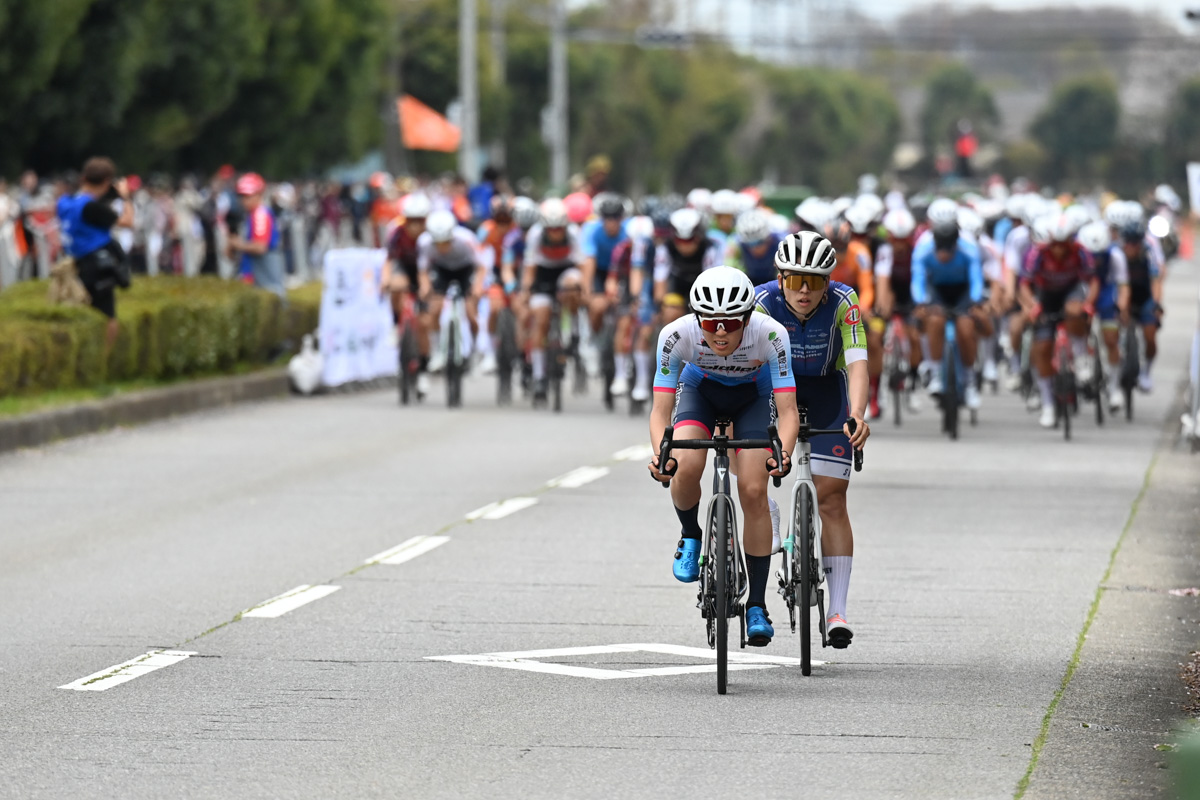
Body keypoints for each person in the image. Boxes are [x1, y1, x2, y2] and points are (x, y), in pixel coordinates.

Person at [647, 267, 799, 647]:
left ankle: (757, 605)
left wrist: (782, 453)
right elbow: (660, 411)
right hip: (700, 391)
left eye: (729, 323)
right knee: (684, 465)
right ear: (697, 318)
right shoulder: (676, 335)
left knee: (753, 489)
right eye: (710, 322)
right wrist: (661, 455)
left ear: (747, 318)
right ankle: (690, 534)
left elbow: (788, 412)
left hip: (753, 396)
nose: (719, 332)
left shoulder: (771, 334)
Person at [753, 231, 870, 648]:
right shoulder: (760, 301)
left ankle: (837, 611)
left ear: (828, 282)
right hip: (773, 388)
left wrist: (858, 414)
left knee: (833, 499)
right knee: (754, 471)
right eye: (795, 280)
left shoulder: (844, 301)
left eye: (815, 281)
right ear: (780, 278)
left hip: (825, 390)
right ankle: (768, 510)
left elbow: (857, 363)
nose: (804, 291)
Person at [1019, 213, 1099, 428]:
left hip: (1071, 290)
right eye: (1056, 244)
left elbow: (1092, 281)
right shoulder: (1037, 253)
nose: (1059, 250)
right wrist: (1032, 306)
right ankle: (1047, 404)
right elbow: (1024, 284)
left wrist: (1088, 304)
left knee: (1074, 311)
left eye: (1064, 244)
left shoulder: (1081, 252)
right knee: (1042, 349)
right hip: (1046, 294)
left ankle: (1081, 359)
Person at [55, 157, 134, 351]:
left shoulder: (65, 202)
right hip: (97, 264)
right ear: (107, 182)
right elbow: (127, 222)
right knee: (108, 317)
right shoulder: (92, 208)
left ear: (84, 178)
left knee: (79, 312)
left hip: (72, 262)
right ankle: (102, 358)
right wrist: (125, 197)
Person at [912, 206, 986, 411]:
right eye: (940, 248)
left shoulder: (968, 247)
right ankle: (935, 374)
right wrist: (921, 301)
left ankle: (970, 382)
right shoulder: (923, 247)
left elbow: (976, 278)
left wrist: (975, 300)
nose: (944, 254)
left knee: (966, 329)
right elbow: (918, 279)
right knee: (935, 321)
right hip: (937, 291)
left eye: (948, 249)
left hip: (962, 292)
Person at [521, 198, 584, 401]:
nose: (555, 233)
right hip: (543, 273)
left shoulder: (574, 233)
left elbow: (582, 265)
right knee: (540, 319)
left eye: (559, 228)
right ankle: (539, 375)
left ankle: (574, 332)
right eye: (551, 229)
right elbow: (529, 268)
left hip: (566, 270)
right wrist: (525, 292)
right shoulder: (535, 234)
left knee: (574, 286)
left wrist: (584, 292)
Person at [419, 209, 488, 372]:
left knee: (471, 312)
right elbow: (423, 270)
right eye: (438, 243)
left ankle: (474, 351)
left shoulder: (466, 239)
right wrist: (425, 287)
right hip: (442, 270)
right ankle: (437, 351)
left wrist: (477, 286)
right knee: (434, 309)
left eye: (446, 242)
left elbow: (481, 267)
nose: (442, 247)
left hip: (465, 269)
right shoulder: (425, 243)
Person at [873, 208, 923, 413]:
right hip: (891, 292)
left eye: (904, 240)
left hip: (910, 294)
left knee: (915, 338)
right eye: (896, 240)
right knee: (876, 338)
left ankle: (913, 384)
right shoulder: (884, 251)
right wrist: (882, 306)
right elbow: (882, 280)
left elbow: (920, 280)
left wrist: (919, 305)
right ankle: (877, 391)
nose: (900, 245)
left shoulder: (917, 250)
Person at [383, 192, 433, 396]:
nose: (414, 226)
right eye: (410, 221)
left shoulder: (431, 235)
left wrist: (426, 288)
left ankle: (423, 370)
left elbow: (429, 269)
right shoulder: (396, 231)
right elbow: (389, 260)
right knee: (396, 286)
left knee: (423, 324)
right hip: (405, 269)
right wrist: (385, 280)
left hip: (426, 272)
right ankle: (397, 324)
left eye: (419, 221)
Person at [1115, 219, 1164, 393]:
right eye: (1129, 242)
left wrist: (1156, 303)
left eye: (1136, 243)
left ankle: (1146, 372)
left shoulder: (1148, 253)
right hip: (1123, 294)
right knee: (1114, 328)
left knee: (1150, 336)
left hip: (1144, 296)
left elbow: (1156, 280)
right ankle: (1117, 364)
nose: (1132, 247)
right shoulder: (1117, 254)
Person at [652, 207, 723, 324]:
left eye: (689, 240)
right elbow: (660, 280)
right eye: (680, 241)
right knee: (670, 312)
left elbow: (713, 282)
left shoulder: (710, 249)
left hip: (702, 290)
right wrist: (660, 307)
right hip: (677, 288)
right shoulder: (665, 248)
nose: (684, 246)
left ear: (698, 236)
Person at [228, 173, 285, 299]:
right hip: (257, 275)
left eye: (247, 196)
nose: (243, 200)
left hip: (265, 275)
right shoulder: (250, 215)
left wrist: (238, 244)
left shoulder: (260, 215)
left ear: (259, 194)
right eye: (241, 196)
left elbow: (260, 247)